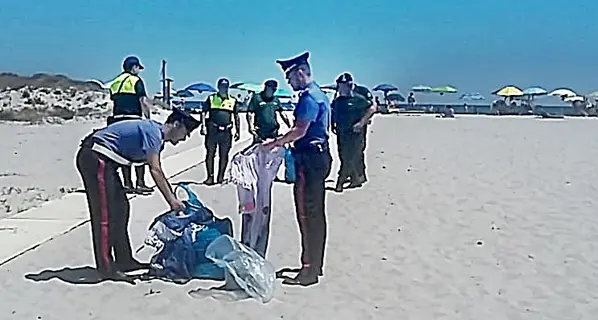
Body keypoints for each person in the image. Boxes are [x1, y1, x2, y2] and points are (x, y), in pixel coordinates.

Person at [76, 108, 200, 280]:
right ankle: (106, 268)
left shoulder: (156, 136)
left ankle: (124, 260)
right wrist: (172, 201)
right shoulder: (154, 133)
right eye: (185, 133)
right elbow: (155, 170)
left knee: (121, 209)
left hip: (107, 162)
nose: (185, 139)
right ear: (176, 124)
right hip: (95, 157)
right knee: (105, 215)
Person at [263, 52, 331, 286]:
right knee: (317, 214)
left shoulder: (308, 98)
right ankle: (315, 264)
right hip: (320, 155)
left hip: (309, 159)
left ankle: (308, 270)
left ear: (300, 73)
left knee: (307, 214)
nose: (289, 83)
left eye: (290, 77)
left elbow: (299, 130)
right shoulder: (320, 93)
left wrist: (274, 143)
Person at [107, 56, 155, 194]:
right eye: (138, 68)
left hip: (117, 120)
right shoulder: (136, 81)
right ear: (134, 67)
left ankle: (127, 183)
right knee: (140, 151)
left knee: (123, 153)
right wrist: (148, 118)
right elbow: (143, 101)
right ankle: (140, 183)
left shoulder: (115, 82)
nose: (139, 71)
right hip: (133, 118)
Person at [331, 73, 377, 192]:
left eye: (343, 86)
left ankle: (341, 180)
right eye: (339, 86)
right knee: (343, 155)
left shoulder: (358, 99)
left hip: (356, 132)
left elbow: (372, 108)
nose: (341, 89)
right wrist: (332, 125)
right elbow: (333, 113)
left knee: (353, 155)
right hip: (342, 132)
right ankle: (355, 178)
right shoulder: (338, 101)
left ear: (349, 85)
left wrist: (362, 123)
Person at [200, 78, 241, 185]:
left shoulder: (232, 100)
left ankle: (220, 177)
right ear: (218, 87)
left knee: (224, 155)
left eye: (225, 87)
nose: (224, 89)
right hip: (212, 130)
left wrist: (238, 131)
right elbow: (204, 112)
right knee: (210, 154)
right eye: (222, 87)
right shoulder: (211, 98)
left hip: (226, 131)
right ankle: (210, 177)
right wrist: (203, 126)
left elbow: (236, 116)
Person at [246, 79, 291, 144]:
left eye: (275, 89)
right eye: (272, 89)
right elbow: (250, 113)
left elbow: (282, 112)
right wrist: (250, 126)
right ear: (266, 88)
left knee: (273, 150)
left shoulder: (275, 99)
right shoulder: (257, 98)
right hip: (260, 131)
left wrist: (289, 125)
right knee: (259, 150)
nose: (273, 91)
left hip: (273, 130)